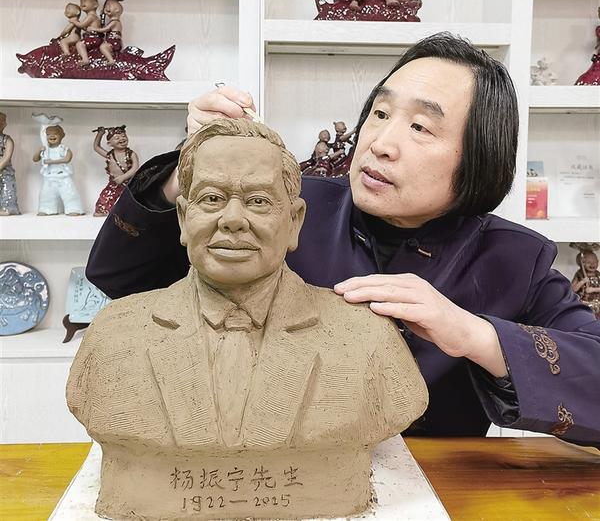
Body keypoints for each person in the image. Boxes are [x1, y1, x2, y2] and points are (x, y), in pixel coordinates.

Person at [86, 33, 600, 447]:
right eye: (380, 113)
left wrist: (475, 335)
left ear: (480, 156)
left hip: (433, 488)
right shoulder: (288, 207)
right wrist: (191, 167)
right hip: (271, 474)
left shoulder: (515, 258)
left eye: (421, 127)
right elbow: (118, 276)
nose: (380, 143)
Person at [68, 119, 427, 520]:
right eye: (211, 199)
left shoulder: (367, 339)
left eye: (258, 201)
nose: (233, 219)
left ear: (294, 222)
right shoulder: (114, 336)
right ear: (183, 219)